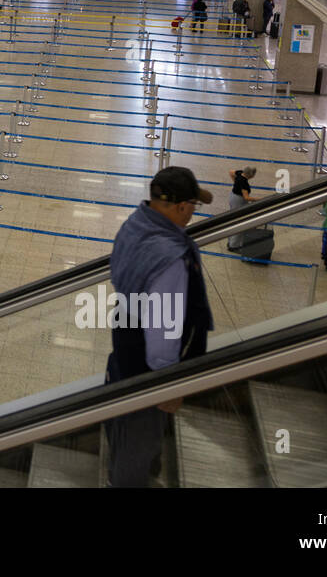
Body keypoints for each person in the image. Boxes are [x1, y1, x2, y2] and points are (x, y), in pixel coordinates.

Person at [104, 167, 214, 487]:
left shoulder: (134, 223)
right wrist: (168, 382)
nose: (193, 214)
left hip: (124, 335)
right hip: (149, 364)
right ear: (180, 207)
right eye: (193, 207)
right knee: (141, 432)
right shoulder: (167, 257)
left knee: (120, 406)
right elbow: (163, 329)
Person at [226, 166, 257, 249]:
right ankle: (233, 245)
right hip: (238, 200)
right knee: (238, 221)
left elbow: (231, 172)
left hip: (233, 196)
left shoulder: (240, 173)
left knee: (234, 219)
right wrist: (257, 199)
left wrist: (236, 183)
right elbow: (246, 197)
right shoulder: (244, 183)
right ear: (251, 175)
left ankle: (230, 241)